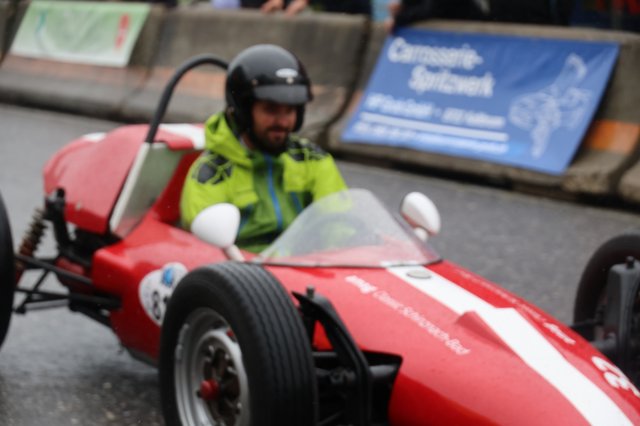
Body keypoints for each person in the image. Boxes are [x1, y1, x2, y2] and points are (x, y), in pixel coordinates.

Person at [180, 44, 347, 253]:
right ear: (243, 111)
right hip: (242, 269)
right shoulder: (212, 175)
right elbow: (205, 254)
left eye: (290, 110)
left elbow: (342, 225)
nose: (283, 122)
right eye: (271, 110)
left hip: (309, 266)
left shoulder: (313, 160)